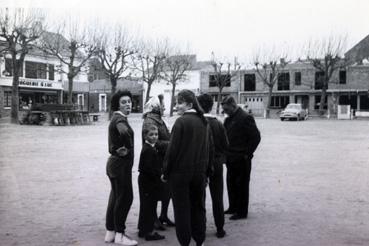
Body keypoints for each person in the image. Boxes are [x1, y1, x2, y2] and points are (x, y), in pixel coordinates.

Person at [162, 89, 213, 246]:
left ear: (189, 104)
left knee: (182, 210)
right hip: (199, 174)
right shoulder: (204, 122)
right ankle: (199, 241)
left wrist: (165, 171)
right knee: (198, 208)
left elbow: (172, 150)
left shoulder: (181, 122)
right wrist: (208, 172)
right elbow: (209, 149)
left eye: (179, 103)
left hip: (180, 175)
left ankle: (184, 242)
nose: (176, 106)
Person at [104, 90, 138, 245]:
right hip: (120, 165)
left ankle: (110, 232)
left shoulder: (116, 117)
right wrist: (128, 146)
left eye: (129, 102)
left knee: (115, 197)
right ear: (117, 104)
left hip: (113, 165)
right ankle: (120, 234)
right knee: (125, 198)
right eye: (124, 102)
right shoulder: (120, 119)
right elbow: (123, 130)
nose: (128, 105)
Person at [221, 96, 261, 221]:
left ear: (233, 105)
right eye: (224, 110)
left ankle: (242, 211)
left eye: (227, 109)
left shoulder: (245, 117)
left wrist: (247, 154)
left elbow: (256, 137)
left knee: (241, 185)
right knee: (231, 183)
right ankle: (233, 207)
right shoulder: (228, 119)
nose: (225, 112)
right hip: (231, 158)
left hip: (242, 158)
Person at [197, 93, 228, 238]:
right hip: (216, 164)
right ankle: (220, 228)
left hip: (201, 165)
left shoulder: (198, 123)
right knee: (217, 197)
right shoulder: (218, 124)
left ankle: (200, 228)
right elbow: (225, 145)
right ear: (211, 106)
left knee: (199, 198)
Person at [142, 95, 175, 229]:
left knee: (167, 190)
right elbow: (153, 141)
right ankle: (155, 218)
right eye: (162, 105)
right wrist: (172, 144)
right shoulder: (150, 121)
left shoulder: (158, 119)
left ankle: (163, 215)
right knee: (156, 190)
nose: (165, 107)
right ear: (156, 107)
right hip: (156, 160)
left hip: (163, 159)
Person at [137, 124, 166, 241]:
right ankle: (148, 232)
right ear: (145, 136)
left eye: (156, 134)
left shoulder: (150, 147)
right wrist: (160, 174)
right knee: (149, 207)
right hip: (148, 182)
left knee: (146, 206)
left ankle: (142, 229)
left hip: (146, 181)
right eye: (151, 134)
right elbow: (149, 169)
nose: (154, 137)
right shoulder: (149, 150)